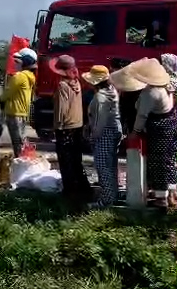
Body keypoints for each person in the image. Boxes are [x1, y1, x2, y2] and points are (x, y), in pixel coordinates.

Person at [124, 58, 177, 209]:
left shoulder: (151, 92)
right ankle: (172, 193)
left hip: (159, 128)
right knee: (169, 159)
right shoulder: (168, 85)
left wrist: (135, 132)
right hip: (170, 123)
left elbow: (142, 115)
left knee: (158, 161)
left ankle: (161, 198)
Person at [49, 55, 90, 200]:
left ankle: (70, 192)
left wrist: (58, 127)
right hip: (77, 126)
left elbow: (62, 110)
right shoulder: (76, 83)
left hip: (65, 127)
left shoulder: (63, 86)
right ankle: (83, 189)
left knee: (65, 160)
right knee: (76, 160)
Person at [82, 65, 122, 208]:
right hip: (115, 129)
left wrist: (93, 136)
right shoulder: (112, 91)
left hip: (104, 132)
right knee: (111, 165)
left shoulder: (100, 97)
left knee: (103, 166)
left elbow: (100, 120)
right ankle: (113, 195)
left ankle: (106, 200)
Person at [0, 48, 37, 158]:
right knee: (21, 140)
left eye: (18, 62)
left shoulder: (19, 76)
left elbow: (7, 93)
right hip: (22, 112)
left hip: (14, 112)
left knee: (17, 142)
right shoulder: (30, 76)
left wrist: (1, 99)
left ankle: (20, 161)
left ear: (25, 63)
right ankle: (23, 160)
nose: (15, 64)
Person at [160, 53, 177, 206]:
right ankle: (173, 191)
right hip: (174, 121)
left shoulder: (169, 81)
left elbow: (169, 103)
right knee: (170, 157)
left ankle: (170, 194)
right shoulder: (176, 79)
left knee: (167, 158)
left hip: (169, 120)